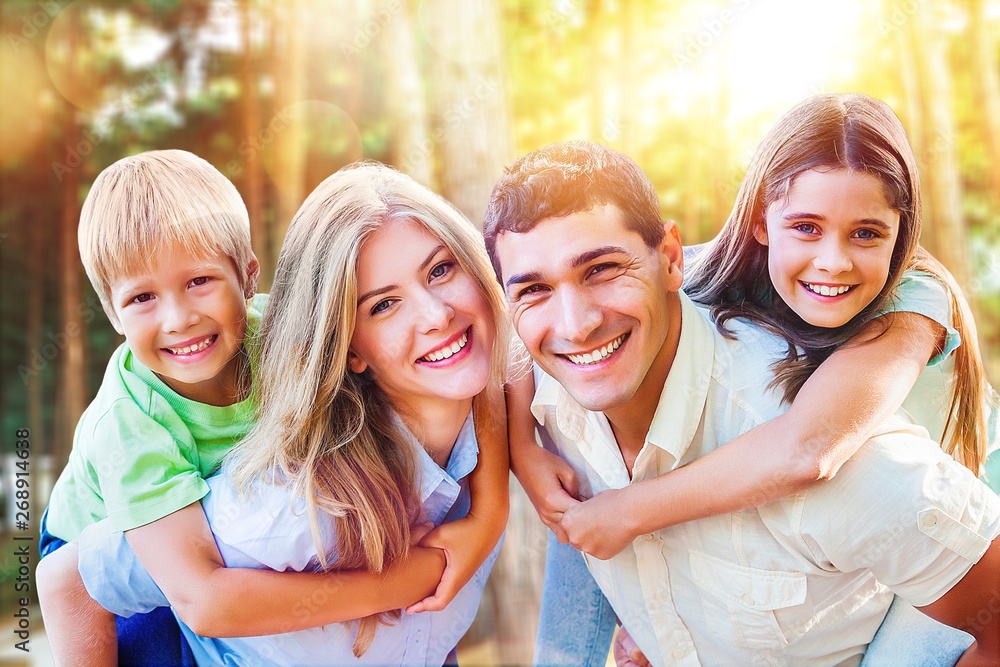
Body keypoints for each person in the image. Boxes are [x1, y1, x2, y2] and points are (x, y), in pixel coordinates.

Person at [505, 95, 999, 666]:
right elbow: (527, 312)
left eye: (866, 233)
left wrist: (628, 512)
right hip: (874, 523)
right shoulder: (702, 272)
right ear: (762, 222)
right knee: (582, 508)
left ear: (901, 234)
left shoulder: (913, 307)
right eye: (807, 227)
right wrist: (523, 446)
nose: (833, 260)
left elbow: (806, 451)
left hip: (960, 509)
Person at [37, 154, 507, 666]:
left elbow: (475, 372)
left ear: (248, 275)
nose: (178, 319)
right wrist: (406, 580)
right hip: (113, 530)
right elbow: (202, 599)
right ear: (111, 312)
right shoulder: (130, 421)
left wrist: (488, 512)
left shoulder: (282, 338)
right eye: (142, 298)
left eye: (199, 281)